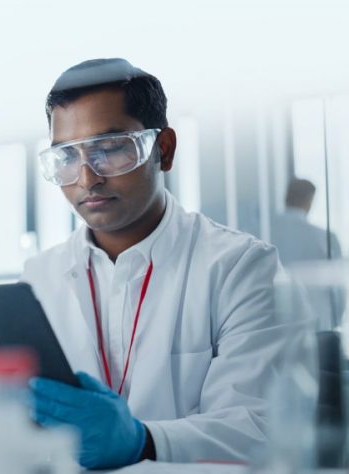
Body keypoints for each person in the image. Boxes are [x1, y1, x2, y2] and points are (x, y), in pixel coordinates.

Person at [19, 58, 304, 468]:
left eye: (110, 148)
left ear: (163, 150)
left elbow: (259, 428)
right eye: (66, 156)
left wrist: (143, 441)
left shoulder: (241, 268)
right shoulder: (39, 278)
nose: (86, 178)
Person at [270, 178, 345, 327]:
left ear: (286, 198)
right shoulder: (325, 238)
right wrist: (336, 322)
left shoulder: (262, 232)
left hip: (273, 325)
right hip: (316, 323)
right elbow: (339, 292)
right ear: (309, 201)